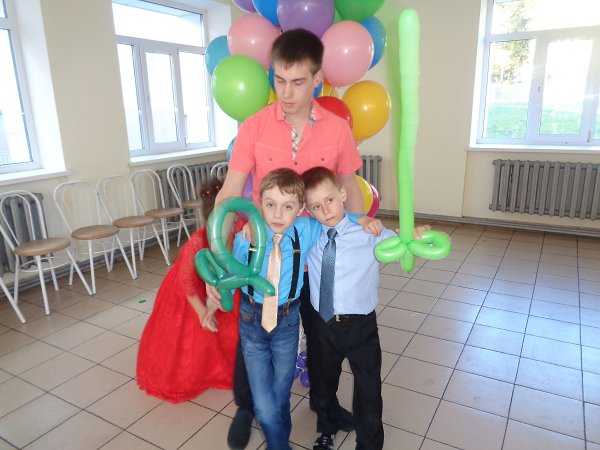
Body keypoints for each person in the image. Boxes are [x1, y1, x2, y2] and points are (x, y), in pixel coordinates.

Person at [214, 28, 365, 449]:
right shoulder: (255, 127)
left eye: (298, 82)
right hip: (265, 252)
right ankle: (247, 407)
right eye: (279, 80)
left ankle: (324, 406)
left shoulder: (337, 129)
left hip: (317, 248)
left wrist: (357, 240)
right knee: (255, 330)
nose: (286, 92)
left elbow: (349, 188)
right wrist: (220, 253)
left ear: (317, 78)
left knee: (322, 332)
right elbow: (230, 192)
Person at [208, 168, 381, 450]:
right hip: (251, 322)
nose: (278, 214)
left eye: (288, 207)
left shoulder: (307, 229)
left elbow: (334, 217)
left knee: (280, 395)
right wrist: (214, 294)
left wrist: (360, 217)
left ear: (301, 210)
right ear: (259, 203)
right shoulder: (247, 236)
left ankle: (279, 439)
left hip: (287, 324)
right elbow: (231, 271)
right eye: (270, 205)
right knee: (264, 404)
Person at [302, 167, 429, 450]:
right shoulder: (309, 234)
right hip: (323, 324)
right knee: (323, 383)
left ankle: (370, 443)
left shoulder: (369, 231)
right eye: (316, 206)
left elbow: (401, 246)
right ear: (308, 210)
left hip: (361, 325)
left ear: (342, 194)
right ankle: (327, 428)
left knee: (368, 388)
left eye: (329, 200)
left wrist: (412, 236)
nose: (325, 210)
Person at [136, 177, 242, 403]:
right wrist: (202, 312)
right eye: (229, 219)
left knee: (229, 330)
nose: (234, 223)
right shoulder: (197, 242)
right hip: (193, 296)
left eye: (234, 218)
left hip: (223, 290)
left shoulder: (238, 230)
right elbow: (186, 283)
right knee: (198, 336)